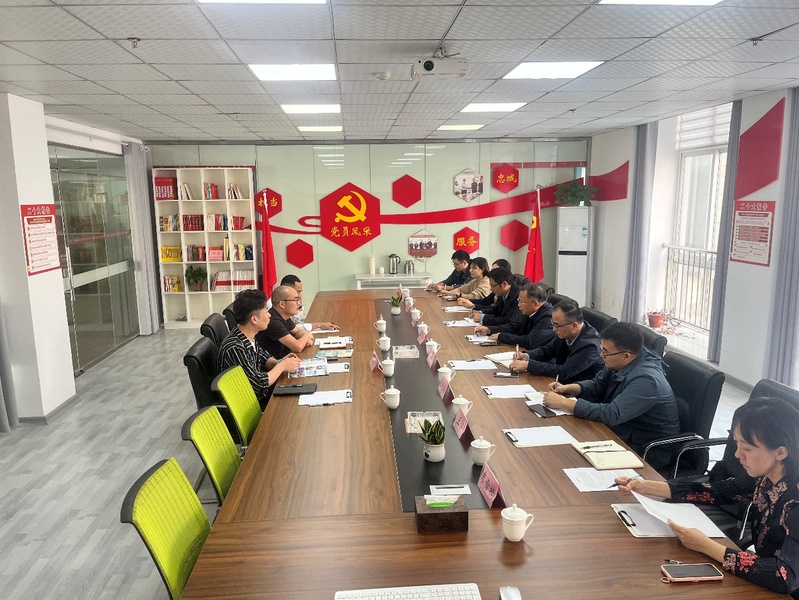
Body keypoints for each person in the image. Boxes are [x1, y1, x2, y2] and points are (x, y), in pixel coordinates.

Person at [615, 397, 799, 598]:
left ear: (780, 452)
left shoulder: (795, 500)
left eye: (747, 448)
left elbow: (785, 576)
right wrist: (646, 486)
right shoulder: (768, 476)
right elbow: (715, 492)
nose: (737, 454)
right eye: (737, 444)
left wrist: (705, 545)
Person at [543, 321, 679, 463]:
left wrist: (564, 403)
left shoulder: (647, 380)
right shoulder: (621, 361)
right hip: (620, 432)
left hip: (645, 451)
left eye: (605, 352)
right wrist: (568, 388)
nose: (601, 355)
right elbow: (597, 384)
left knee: (567, 459)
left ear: (626, 356)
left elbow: (612, 414)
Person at [217, 289, 301, 409]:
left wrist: (280, 362)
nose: (269, 315)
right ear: (254, 319)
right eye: (266, 311)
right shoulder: (235, 347)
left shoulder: (248, 335)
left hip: (261, 396)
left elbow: (263, 358)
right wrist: (282, 366)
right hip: (251, 405)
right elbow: (259, 384)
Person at [510, 301, 604, 384]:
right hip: (559, 383)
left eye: (557, 326)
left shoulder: (590, 346)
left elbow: (564, 372)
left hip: (576, 391)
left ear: (574, 326)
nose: (554, 329)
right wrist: (527, 356)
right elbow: (548, 350)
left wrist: (529, 365)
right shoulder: (566, 332)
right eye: (553, 324)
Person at [474, 283, 554, 349]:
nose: (519, 305)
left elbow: (529, 342)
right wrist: (489, 330)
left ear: (535, 304)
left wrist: (502, 337)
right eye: (518, 300)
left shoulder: (548, 318)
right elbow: (515, 327)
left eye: (522, 302)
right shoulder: (530, 310)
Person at [255, 285, 315, 359]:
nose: (299, 303)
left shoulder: (284, 316)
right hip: (273, 363)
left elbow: (297, 332)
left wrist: (304, 338)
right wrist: (307, 335)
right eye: (295, 300)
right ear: (282, 304)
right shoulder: (273, 321)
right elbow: (298, 347)